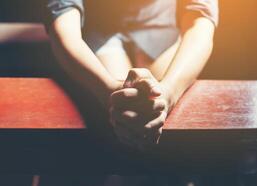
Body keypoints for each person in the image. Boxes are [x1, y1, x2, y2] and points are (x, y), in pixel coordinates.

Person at [45, 0, 218, 149]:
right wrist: (109, 90)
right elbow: (66, 30)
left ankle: (115, 185)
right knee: (126, 117)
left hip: (163, 27)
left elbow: (200, 26)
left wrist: (169, 93)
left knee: (155, 113)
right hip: (99, 26)